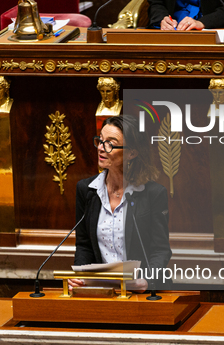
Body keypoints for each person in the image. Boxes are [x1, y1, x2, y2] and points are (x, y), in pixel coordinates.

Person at [70, 115, 172, 290]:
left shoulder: (153, 194)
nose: (101, 148)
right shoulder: (87, 190)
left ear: (132, 153)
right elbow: (84, 245)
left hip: (143, 292)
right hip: (102, 290)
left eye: (110, 143)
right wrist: (80, 277)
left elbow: (160, 250)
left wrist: (147, 281)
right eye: (100, 140)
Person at [148, 0, 224, 31]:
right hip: (169, 32)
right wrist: (162, 19)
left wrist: (203, 22)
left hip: (209, 31)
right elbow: (156, 2)